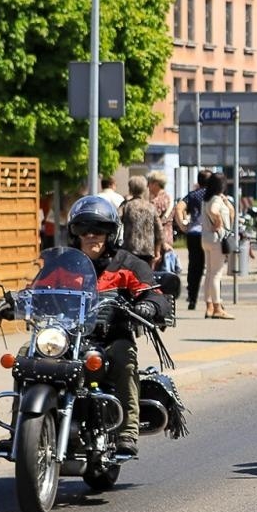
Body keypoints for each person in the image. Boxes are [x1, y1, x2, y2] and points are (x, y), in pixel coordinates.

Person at [65, 196, 166, 458]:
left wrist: (149, 306)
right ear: (74, 233)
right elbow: (37, 288)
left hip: (110, 339)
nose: (90, 235)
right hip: (67, 340)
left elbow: (154, 293)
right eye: (83, 229)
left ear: (111, 233)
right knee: (25, 357)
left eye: (98, 229)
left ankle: (127, 432)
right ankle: (20, 430)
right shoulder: (65, 265)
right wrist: (13, 301)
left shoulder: (127, 265)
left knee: (125, 356)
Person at [200, 174, 235, 320]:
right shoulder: (216, 199)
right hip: (216, 239)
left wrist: (225, 201)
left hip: (206, 238)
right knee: (216, 274)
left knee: (209, 273)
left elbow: (232, 213)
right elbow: (215, 211)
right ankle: (217, 308)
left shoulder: (206, 198)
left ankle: (209, 306)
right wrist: (219, 221)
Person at [177, 170, 210, 310]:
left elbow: (179, 207)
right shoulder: (213, 196)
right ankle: (213, 300)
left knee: (194, 267)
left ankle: (192, 298)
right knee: (212, 268)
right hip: (208, 234)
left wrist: (183, 226)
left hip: (194, 233)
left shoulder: (192, 195)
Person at [119, 175, 161, 267]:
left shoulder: (126, 205)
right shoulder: (151, 206)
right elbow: (159, 230)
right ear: (144, 189)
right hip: (148, 250)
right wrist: (157, 250)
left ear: (130, 189)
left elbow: (117, 220)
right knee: (145, 278)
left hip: (130, 249)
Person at [148, 171, 175, 273]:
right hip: (169, 237)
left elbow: (155, 224)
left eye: (149, 183)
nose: (148, 186)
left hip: (158, 241)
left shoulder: (156, 202)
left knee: (157, 272)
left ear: (156, 184)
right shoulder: (169, 198)